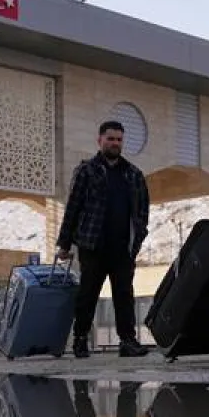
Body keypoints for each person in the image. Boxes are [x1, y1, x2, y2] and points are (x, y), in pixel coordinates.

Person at [55, 120, 150, 358]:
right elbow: (73, 208)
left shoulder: (134, 174)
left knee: (124, 296)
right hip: (93, 245)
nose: (115, 143)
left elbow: (142, 212)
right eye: (111, 139)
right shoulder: (86, 171)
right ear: (100, 140)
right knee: (87, 294)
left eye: (119, 139)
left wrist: (137, 239)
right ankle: (80, 340)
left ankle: (128, 341)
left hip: (122, 249)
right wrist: (64, 244)